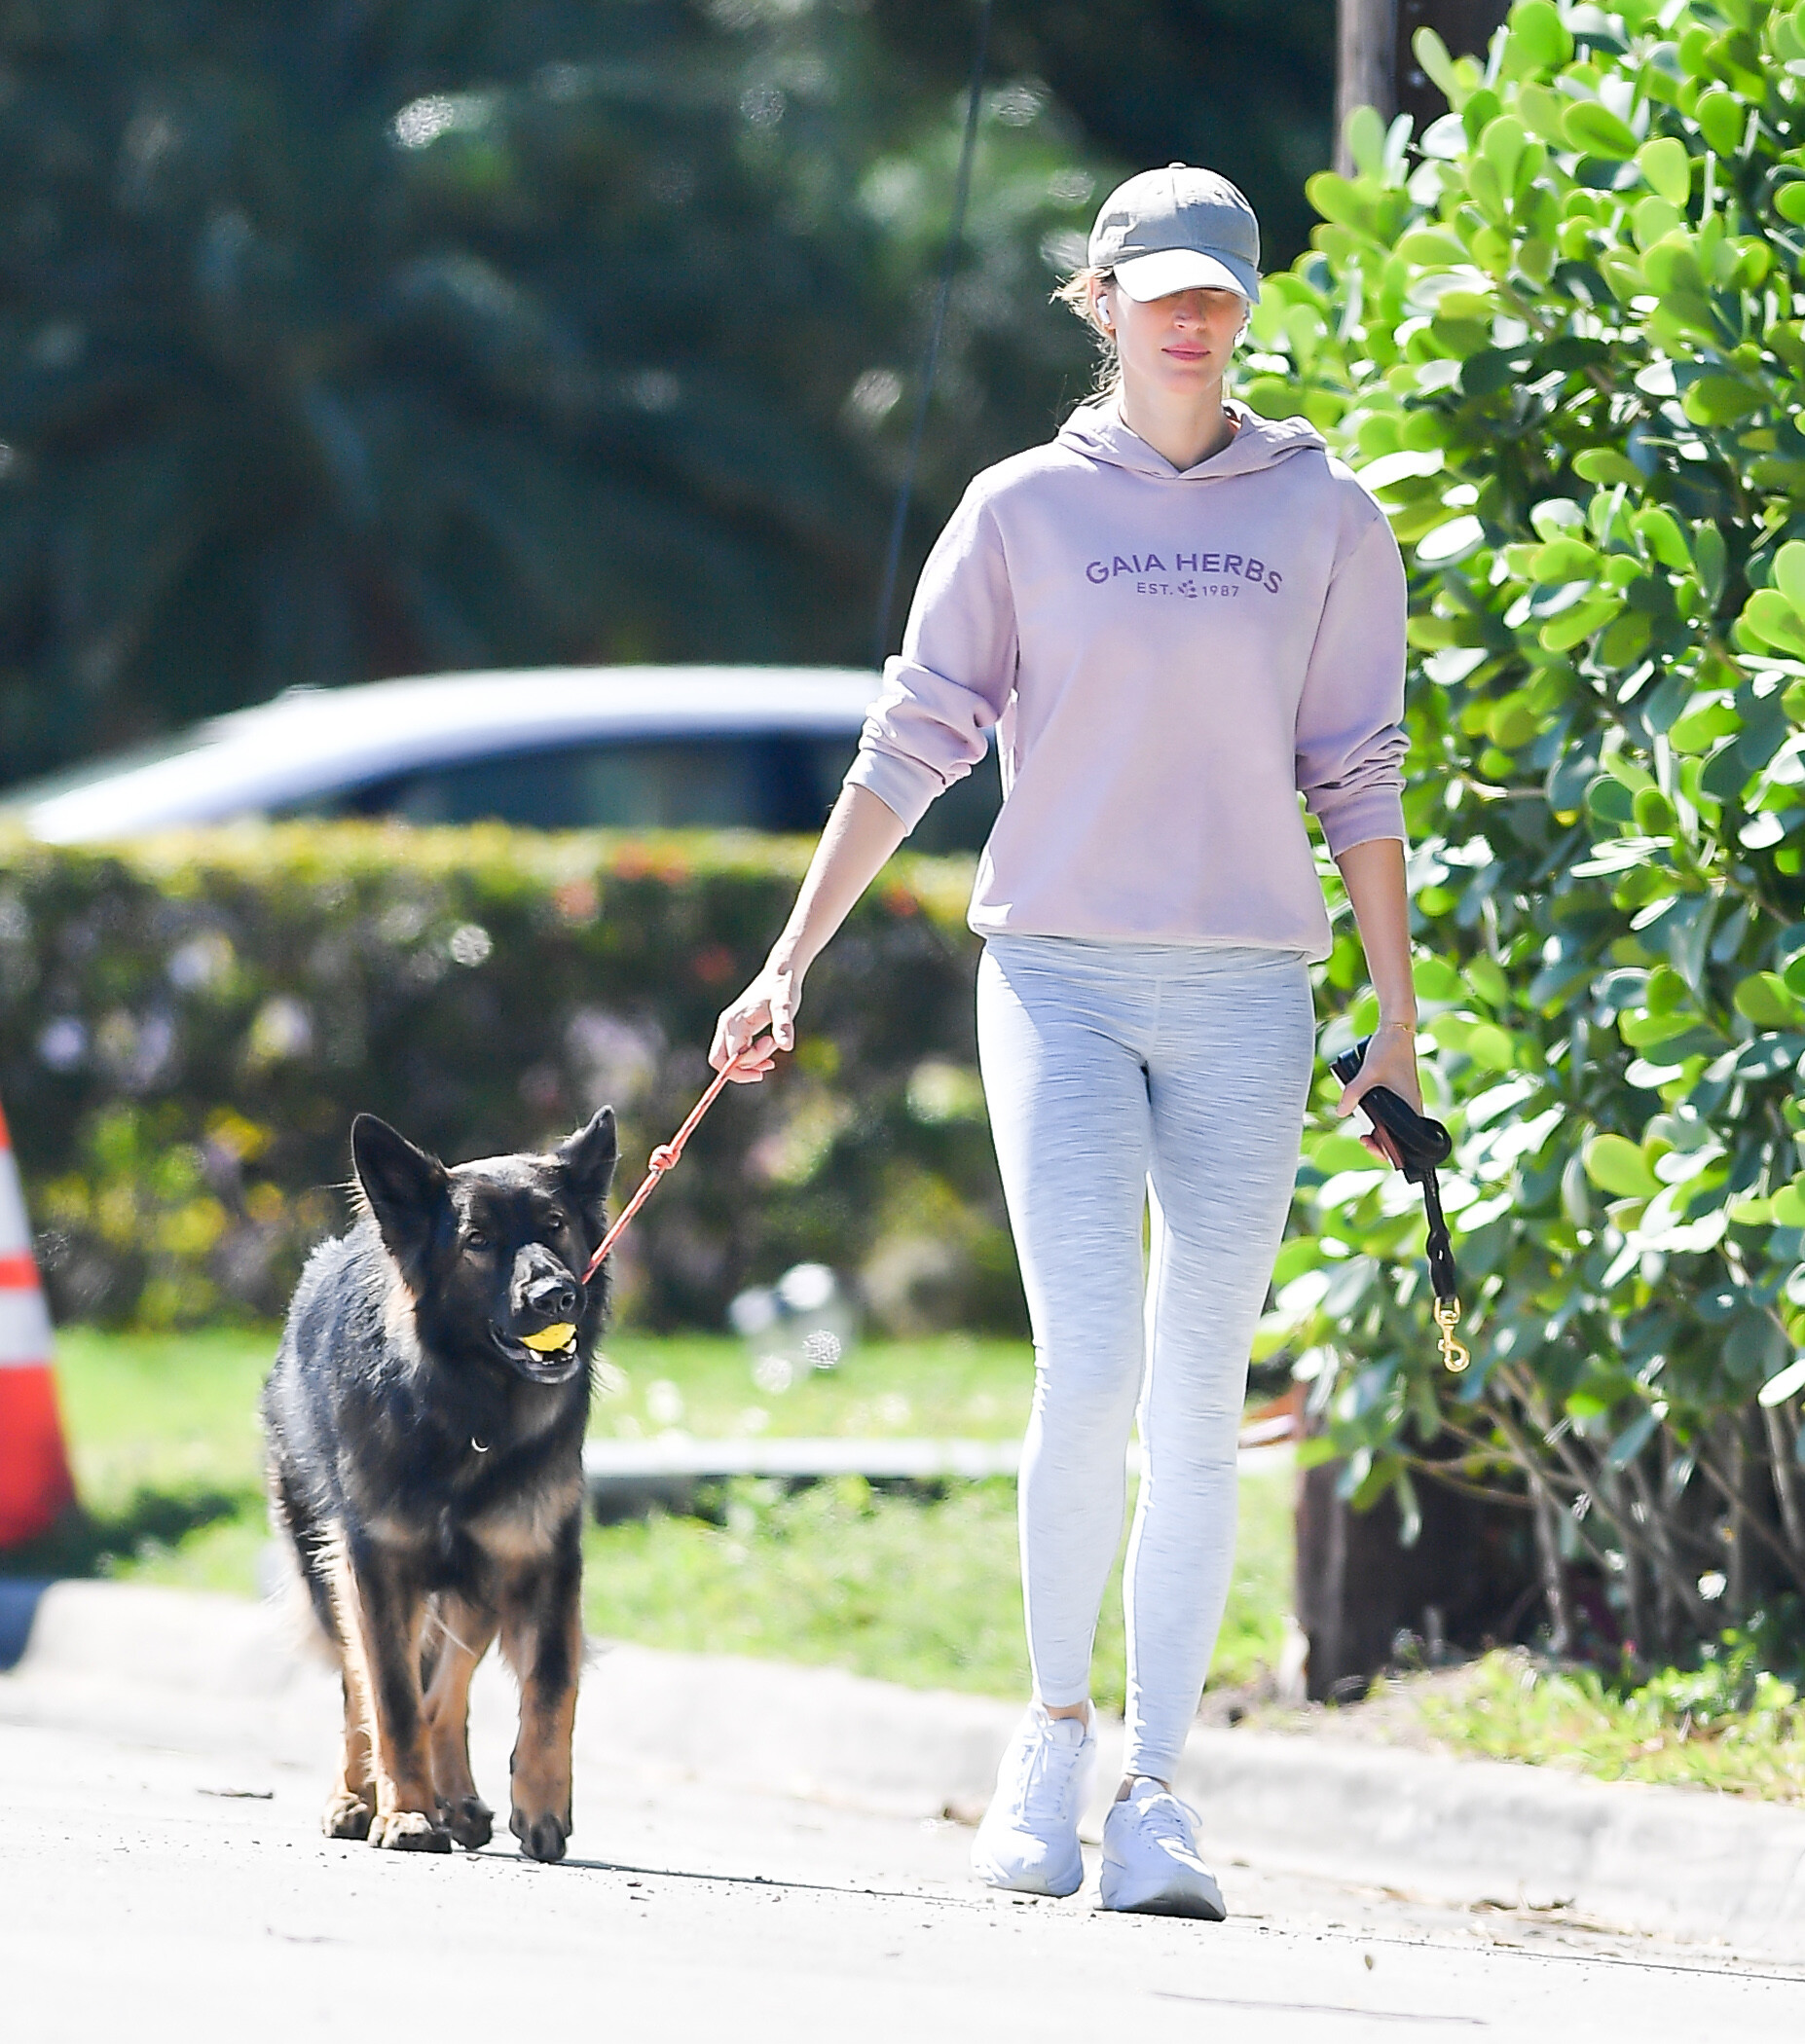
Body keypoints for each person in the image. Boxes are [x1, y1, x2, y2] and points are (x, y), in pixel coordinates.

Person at [710, 164, 1418, 1918]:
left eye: (1219, 290)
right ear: (1096, 301)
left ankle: (1158, 1795)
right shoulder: (1018, 507)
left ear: (1247, 307)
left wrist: (1396, 1028)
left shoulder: (1326, 513)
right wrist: (786, 960)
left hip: (1248, 991)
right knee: (1087, 1366)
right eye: (1158, 288)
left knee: (1198, 1392)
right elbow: (913, 737)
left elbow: (1358, 775)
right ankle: (1047, 1741)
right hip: (1056, 981)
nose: (1193, 317)